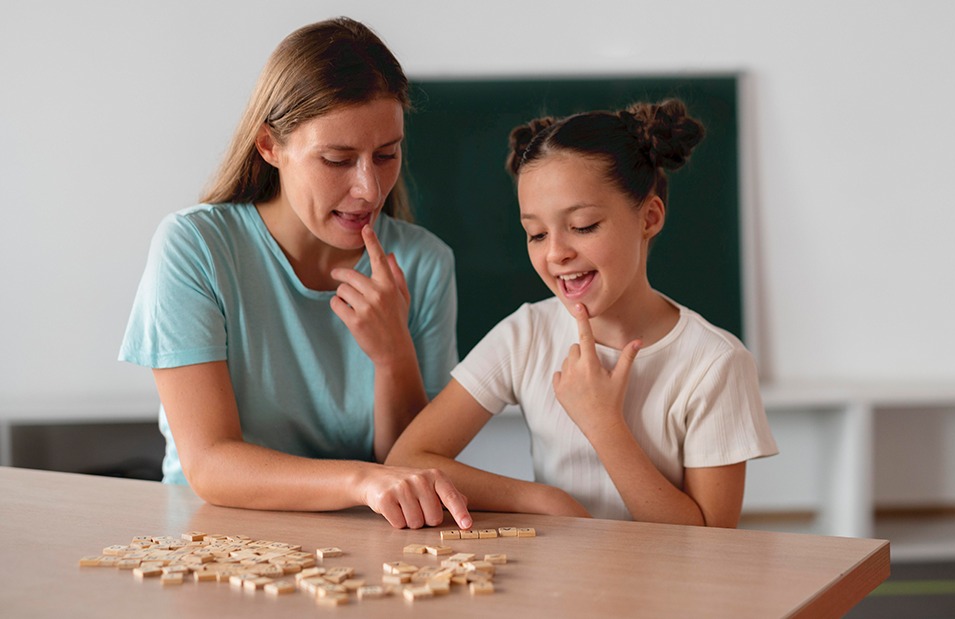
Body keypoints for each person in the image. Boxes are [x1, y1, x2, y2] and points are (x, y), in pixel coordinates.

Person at [119, 17, 472, 531]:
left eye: (387, 155)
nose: (369, 189)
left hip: (370, 543)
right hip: (216, 537)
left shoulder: (425, 262)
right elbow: (209, 463)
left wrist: (395, 355)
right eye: (337, 159)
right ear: (269, 146)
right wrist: (361, 482)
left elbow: (411, 461)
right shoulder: (194, 247)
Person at [387, 99, 778, 526]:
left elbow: (712, 541)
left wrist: (604, 426)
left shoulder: (715, 363)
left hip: (669, 591)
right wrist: (543, 500)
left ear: (649, 217)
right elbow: (407, 458)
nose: (556, 253)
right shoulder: (527, 334)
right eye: (536, 234)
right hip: (563, 586)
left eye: (584, 226)